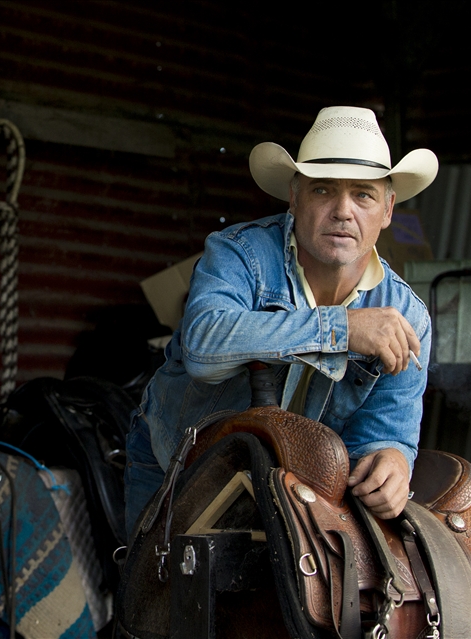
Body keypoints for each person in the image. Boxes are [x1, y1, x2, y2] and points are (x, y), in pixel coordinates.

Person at [124, 105, 438, 533]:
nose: (344, 211)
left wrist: (393, 462)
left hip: (293, 489)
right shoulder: (239, 254)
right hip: (178, 465)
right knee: (150, 593)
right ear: (294, 197)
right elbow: (203, 346)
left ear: (387, 210)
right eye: (323, 190)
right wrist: (343, 329)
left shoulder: (407, 316)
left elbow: (385, 433)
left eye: (363, 194)